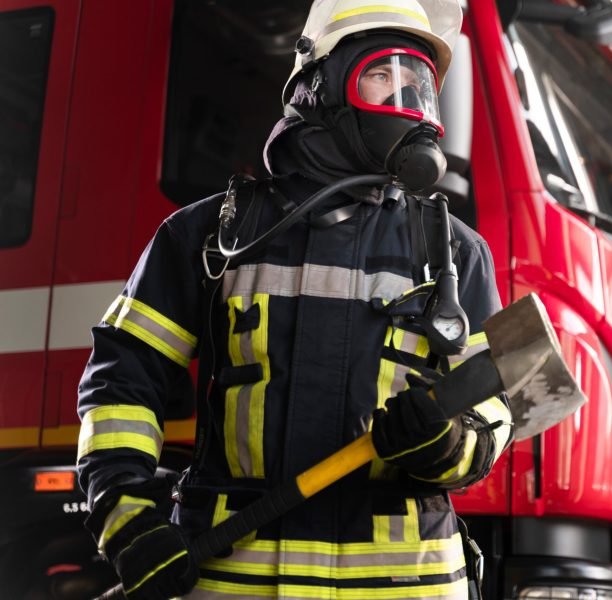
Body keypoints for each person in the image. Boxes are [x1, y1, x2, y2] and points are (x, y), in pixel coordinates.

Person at [75, 0, 513, 598]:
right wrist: (126, 518)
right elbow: (122, 382)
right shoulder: (210, 235)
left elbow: (495, 414)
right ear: (320, 88)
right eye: (382, 75)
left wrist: (448, 443)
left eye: (418, 83)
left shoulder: (457, 254)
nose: (403, 99)